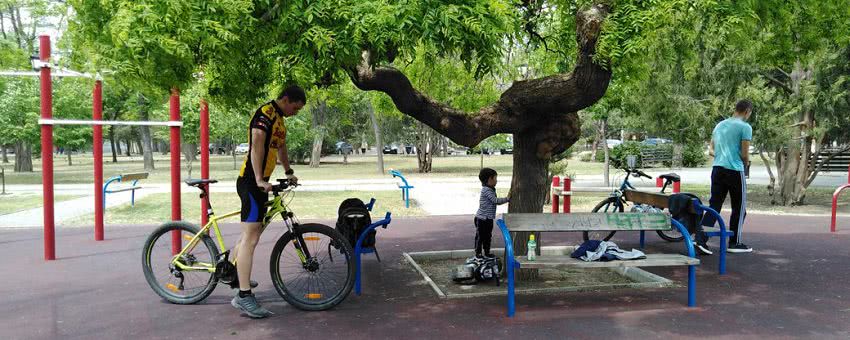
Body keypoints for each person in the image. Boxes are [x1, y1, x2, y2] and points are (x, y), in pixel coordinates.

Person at [231, 85, 306, 318]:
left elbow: (280, 146)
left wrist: (288, 170)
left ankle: (233, 272)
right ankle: (243, 296)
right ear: (285, 99)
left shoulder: (280, 121)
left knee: (251, 235)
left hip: (260, 182)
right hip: (250, 182)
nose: (296, 112)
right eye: (295, 107)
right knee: (251, 238)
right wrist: (259, 180)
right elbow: (257, 146)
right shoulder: (265, 113)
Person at [695, 99, 754, 255]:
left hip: (717, 169)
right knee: (739, 208)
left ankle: (700, 239)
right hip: (734, 170)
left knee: (714, 205)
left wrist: (723, 155)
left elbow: (711, 151)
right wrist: (746, 163)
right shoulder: (745, 127)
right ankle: (735, 242)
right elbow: (745, 155)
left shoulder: (719, 125)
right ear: (747, 111)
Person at [474, 168, 510, 259]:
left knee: (488, 236)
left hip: (488, 218)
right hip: (482, 219)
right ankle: (478, 252)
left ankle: (487, 252)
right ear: (490, 179)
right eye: (495, 178)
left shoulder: (491, 189)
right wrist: (507, 199)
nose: (496, 181)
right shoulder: (486, 190)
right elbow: (495, 201)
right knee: (481, 236)